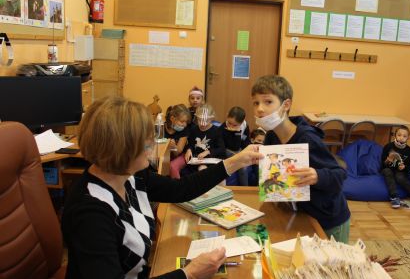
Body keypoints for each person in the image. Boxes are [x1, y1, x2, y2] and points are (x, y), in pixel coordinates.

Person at [62, 96, 262, 279]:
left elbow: (181, 189)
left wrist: (235, 162)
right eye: (147, 143)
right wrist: (189, 274)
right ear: (122, 149)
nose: (152, 147)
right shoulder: (89, 212)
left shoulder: (130, 176)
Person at [251, 75, 351, 243]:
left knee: (333, 265)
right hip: (301, 215)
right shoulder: (270, 137)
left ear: (286, 105)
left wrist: (318, 175)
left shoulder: (307, 138)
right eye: (255, 103)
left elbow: (339, 174)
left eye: (268, 102)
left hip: (328, 219)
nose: (260, 109)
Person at [381, 126, 410, 208]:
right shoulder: (388, 146)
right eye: (399, 135)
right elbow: (382, 162)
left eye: (404, 136)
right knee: (388, 172)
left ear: (408, 138)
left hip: (400, 171)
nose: (401, 138)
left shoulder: (409, 150)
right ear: (395, 135)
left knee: (400, 177)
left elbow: (408, 165)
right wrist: (388, 161)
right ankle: (394, 197)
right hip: (388, 168)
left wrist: (404, 167)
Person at [182, 104, 226, 175]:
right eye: (200, 120)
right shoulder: (194, 129)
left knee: (203, 169)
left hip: (211, 161)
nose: (203, 124)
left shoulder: (216, 131)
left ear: (211, 119)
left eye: (206, 121)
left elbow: (221, 149)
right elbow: (190, 144)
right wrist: (189, 149)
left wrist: (208, 152)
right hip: (197, 160)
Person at [221, 106, 250, 185]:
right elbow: (233, 147)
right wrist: (237, 133)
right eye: (229, 123)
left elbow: (246, 142)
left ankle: (247, 190)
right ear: (227, 116)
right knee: (242, 165)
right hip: (226, 150)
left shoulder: (245, 126)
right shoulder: (223, 128)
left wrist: (245, 152)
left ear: (242, 122)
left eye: (235, 125)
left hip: (239, 150)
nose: (231, 126)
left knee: (245, 163)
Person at [164, 104, 191, 179]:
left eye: (186, 122)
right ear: (172, 119)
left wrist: (173, 147)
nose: (185, 124)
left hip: (181, 156)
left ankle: (178, 188)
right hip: (165, 157)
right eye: (182, 121)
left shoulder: (184, 131)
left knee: (172, 166)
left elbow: (178, 152)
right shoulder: (161, 128)